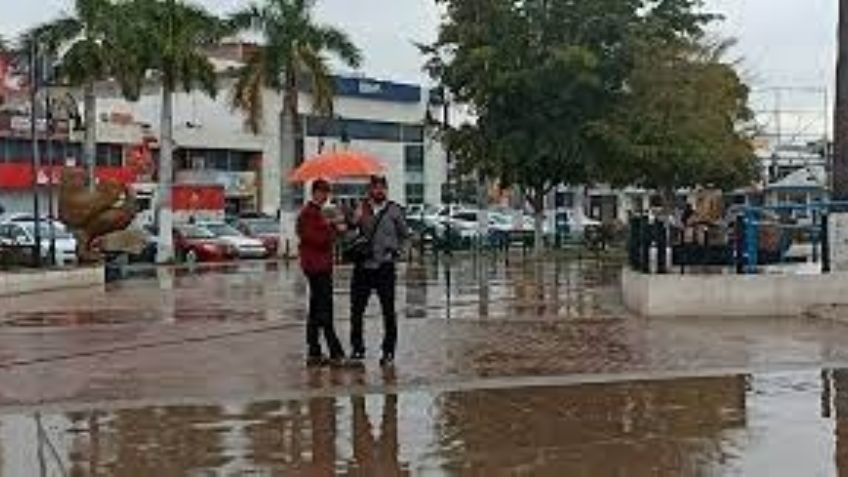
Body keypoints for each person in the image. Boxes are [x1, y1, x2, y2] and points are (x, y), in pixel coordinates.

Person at [349, 176, 408, 366]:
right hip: (363, 266)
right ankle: (357, 348)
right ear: (370, 190)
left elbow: (405, 235)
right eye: (376, 188)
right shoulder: (361, 208)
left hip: (385, 267)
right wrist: (354, 221)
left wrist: (398, 252)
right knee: (357, 310)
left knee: (388, 311)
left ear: (386, 190)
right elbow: (348, 235)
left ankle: (388, 351)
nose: (379, 191)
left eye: (382, 188)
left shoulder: (394, 210)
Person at [297, 179, 346, 366]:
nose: (325, 196)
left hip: (321, 265)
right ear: (314, 192)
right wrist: (332, 226)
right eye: (323, 192)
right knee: (325, 308)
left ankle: (314, 350)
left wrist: (334, 227)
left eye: (327, 193)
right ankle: (335, 351)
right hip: (316, 267)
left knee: (316, 308)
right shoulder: (309, 213)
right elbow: (317, 240)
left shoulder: (319, 213)